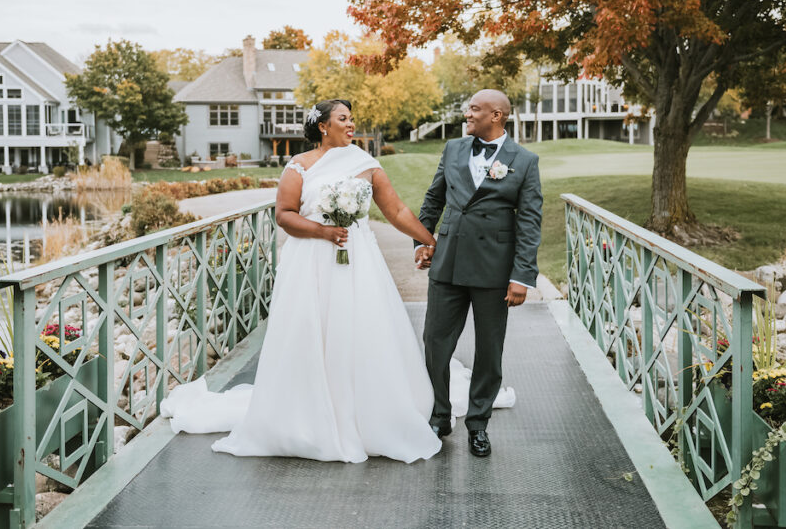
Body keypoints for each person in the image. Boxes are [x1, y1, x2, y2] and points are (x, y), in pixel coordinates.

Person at [162, 99, 442, 463]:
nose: (351, 124)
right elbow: (284, 215)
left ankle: (369, 413)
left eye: (352, 118)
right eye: (344, 118)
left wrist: (427, 239)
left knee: (361, 330)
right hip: (311, 261)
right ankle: (308, 415)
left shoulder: (366, 164)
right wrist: (323, 231)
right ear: (323, 126)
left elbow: (398, 210)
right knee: (312, 330)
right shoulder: (299, 166)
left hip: (359, 262)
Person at [415, 89, 543, 457]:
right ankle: (440, 414)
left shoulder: (525, 160)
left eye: (474, 108)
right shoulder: (454, 148)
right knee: (435, 343)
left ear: (497, 116)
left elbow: (530, 221)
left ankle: (478, 424)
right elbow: (433, 199)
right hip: (448, 263)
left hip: (494, 268)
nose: (466, 113)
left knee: (489, 350)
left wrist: (522, 276)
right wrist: (421, 242)